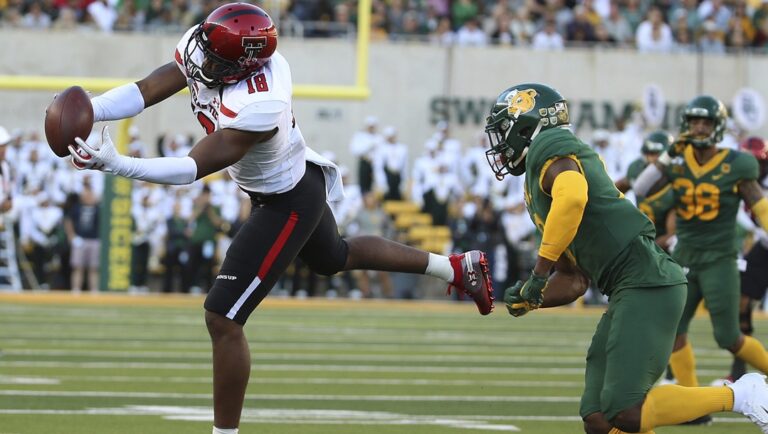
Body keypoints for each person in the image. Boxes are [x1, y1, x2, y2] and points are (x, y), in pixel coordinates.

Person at [61, 4, 494, 433]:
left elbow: (192, 168)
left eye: (213, 60)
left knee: (223, 317)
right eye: (205, 50)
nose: (200, 62)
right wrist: (89, 110)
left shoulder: (261, 102)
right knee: (333, 256)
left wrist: (120, 164)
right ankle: (455, 267)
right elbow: (147, 88)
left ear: (244, 66)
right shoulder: (214, 44)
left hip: (287, 200)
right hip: (288, 180)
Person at [483, 83, 768, 434]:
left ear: (526, 124)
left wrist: (538, 271)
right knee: (598, 417)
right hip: (630, 286)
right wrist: (532, 295)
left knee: (626, 411)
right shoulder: (537, 180)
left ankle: (741, 394)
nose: (499, 142)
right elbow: (574, 280)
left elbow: (573, 197)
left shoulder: (549, 144)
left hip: (647, 279)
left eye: (503, 130)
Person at [634, 95, 768, 397]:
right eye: (694, 121)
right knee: (672, 330)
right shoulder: (678, 163)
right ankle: (691, 399)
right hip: (684, 256)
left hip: (719, 259)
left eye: (705, 121)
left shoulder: (737, 164)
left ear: (717, 126)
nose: (698, 127)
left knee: (728, 336)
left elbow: (760, 206)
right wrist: (668, 156)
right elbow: (641, 189)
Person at [716, 136, 768, 384]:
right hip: (764, 247)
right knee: (741, 305)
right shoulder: (740, 180)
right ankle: (739, 371)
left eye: (758, 162)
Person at [614, 131, 677, 251]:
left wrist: (644, 249)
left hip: (665, 247)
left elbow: (671, 236)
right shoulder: (636, 170)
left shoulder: (676, 183)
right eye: (649, 154)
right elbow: (616, 189)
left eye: (657, 154)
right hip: (642, 234)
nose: (652, 159)